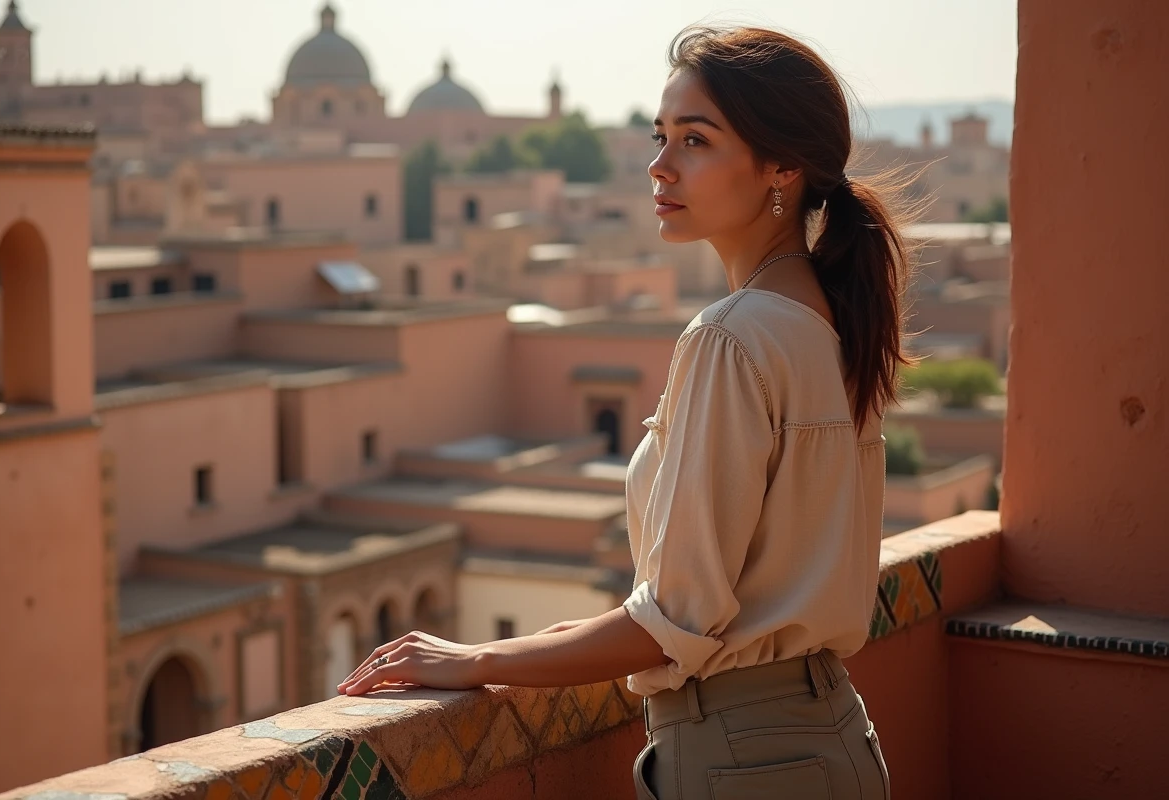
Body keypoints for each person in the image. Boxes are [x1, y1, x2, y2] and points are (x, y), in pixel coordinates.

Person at [338, 24, 915, 800]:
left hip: (748, 761)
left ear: (782, 166)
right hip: (830, 738)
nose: (660, 164)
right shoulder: (827, 321)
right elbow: (717, 597)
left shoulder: (732, 336)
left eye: (696, 141)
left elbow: (673, 622)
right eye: (661, 135)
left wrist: (477, 662)